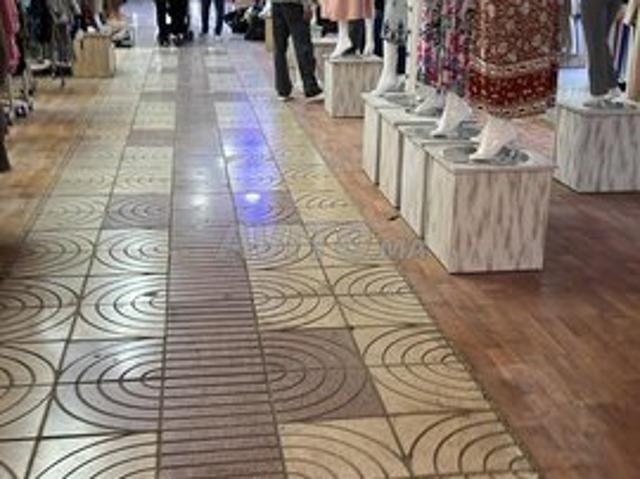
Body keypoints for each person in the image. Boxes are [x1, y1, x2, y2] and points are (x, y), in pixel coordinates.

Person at [272, 0, 323, 102]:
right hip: (295, 4)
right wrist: (307, 3)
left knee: (279, 48)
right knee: (303, 45)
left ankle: (282, 90)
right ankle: (310, 88)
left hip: (276, 3)